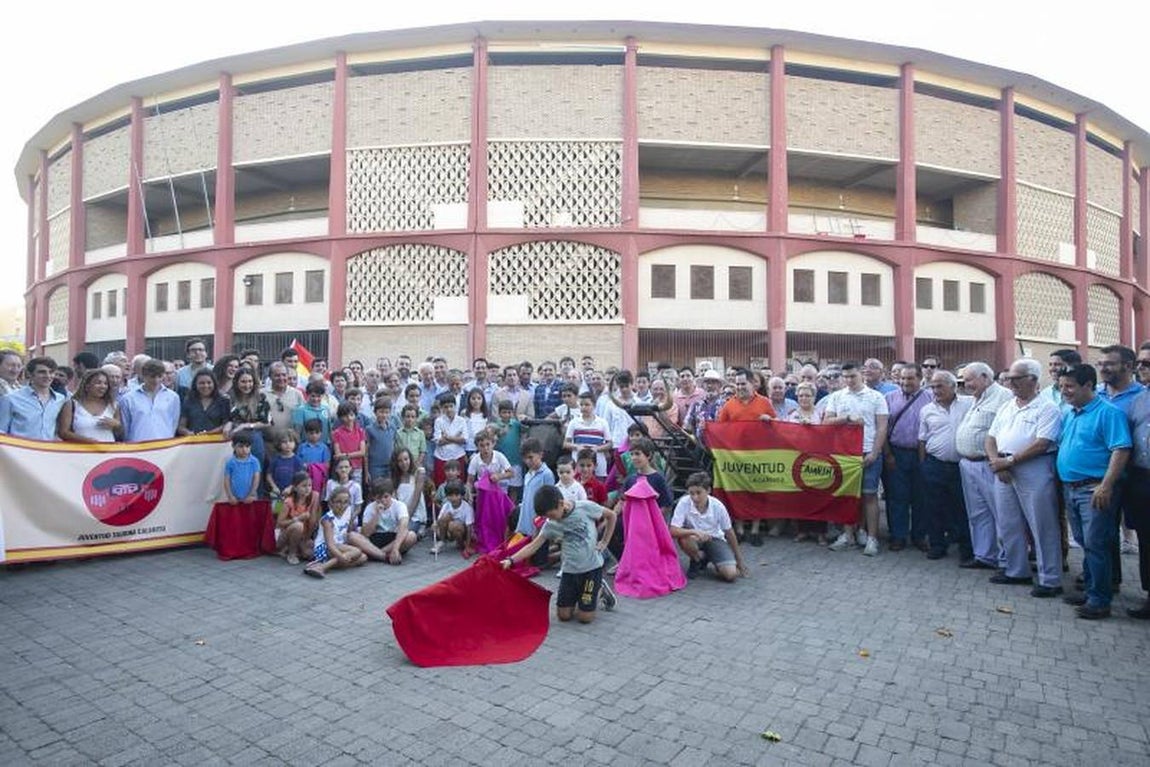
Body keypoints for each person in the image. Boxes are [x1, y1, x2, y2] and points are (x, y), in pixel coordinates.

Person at [1057, 364, 1131, 617]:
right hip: (1071, 488)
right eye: (1061, 386)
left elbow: (1120, 449)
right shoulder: (1070, 413)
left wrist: (1106, 486)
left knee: (1096, 544)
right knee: (1084, 541)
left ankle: (1100, 600)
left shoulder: (1109, 413)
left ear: (1088, 385)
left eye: (1069, 386)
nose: (1064, 391)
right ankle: (1091, 589)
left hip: (1094, 489)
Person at [986, 358, 1063, 596]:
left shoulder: (1047, 407)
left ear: (1032, 380)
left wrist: (1008, 461)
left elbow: (1042, 443)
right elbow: (991, 438)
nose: (1011, 383)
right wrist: (997, 463)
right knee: (1008, 522)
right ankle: (1016, 570)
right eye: (1009, 378)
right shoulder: (1008, 406)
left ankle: (1050, 579)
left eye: (1016, 379)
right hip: (1004, 466)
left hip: (1034, 468)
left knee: (1042, 524)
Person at [501, 484, 618, 622]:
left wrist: (604, 541)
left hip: (591, 570)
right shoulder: (550, 524)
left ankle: (598, 589)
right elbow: (533, 546)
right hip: (569, 571)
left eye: (551, 515)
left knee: (585, 618)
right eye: (546, 517)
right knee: (563, 616)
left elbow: (612, 515)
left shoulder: (585, 507)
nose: (550, 519)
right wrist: (510, 560)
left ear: (561, 504)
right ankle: (580, 597)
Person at [825, 362, 889, 556]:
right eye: (845, 377)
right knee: (846, 494)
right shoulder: (836, 396)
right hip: (844, 453)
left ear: (861, 375)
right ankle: (848, 535)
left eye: (852, 376)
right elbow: (826, 421)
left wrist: (875, 452)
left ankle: (871, 538)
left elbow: (882, 427)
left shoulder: (877, 397)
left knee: (869, 495)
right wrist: (847, 418)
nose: (849, 380)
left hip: (868, 450)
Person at [954, 362, 1013, 570]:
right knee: (978, 513)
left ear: (986, 377)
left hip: (989, 464)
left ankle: (1008, 560)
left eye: (970, 379)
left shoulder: (1004, 397)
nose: (966, 384)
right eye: (964, 380)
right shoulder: (975, 398)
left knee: (1001, 514)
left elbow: (1005, 432)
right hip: (968, 464)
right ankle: (985, 555)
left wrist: (1000, 461)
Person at [917, 370, 974, 561]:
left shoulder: (969, 404)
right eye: (933, 386)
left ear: (953, 386)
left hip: (961, 466)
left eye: (940, 386)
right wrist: (923, 465)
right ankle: (937, 545)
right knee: (934, 508)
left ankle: (967, 548)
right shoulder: (927, 410)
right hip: (935, 465)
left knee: (963, 508)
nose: (935, 390)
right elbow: (922, 440)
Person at [882, 363, 931, 551]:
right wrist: (888, 454)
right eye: (902, 378)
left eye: (910, 378)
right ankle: (898, 536)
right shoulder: (889, 399)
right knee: (897, 497)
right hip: (896, 453)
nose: (905, 382)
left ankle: (919, 536)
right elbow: (883, 429)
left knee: (921, 497)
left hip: (922, 454)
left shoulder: (930, 398)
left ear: (919, 379)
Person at [670, 471, 749, 582]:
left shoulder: (718, 506)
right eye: (691, 493)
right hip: (694, 538)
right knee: (684, 538)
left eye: (698, 493)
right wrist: (694, 532)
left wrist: (739, 560)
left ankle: (711, 559)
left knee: (731, 575)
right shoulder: (683, 502)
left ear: (708, 491)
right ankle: (696, 559)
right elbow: (673, 530)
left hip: (715, 538)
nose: (695, 497)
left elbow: (729, 532)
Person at [1125, 359, 1150, 618]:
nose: (1142, 367)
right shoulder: (1140, 399)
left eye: (1148, 363)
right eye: (1140, 362)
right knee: (1146, 539)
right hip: (1142, 476)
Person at [304, 486, 367, 578]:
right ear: (331, 503)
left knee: (363, 558)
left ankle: (319, 566)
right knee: (356, 551)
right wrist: (341, 557)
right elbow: (330, 545)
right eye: (338, 502)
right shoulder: (328, 520)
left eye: (346, 502)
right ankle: (322, 567)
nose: (342, 505)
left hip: (338, 547)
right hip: (324, 548)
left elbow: (347, 531)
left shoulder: (347, 512)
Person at [349, 479, 416, 565]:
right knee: (352, 536)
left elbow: (403, 526)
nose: (383, 501)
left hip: (393, 539)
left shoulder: (399, 505)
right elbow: (366, 533)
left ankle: (375, 554)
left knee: (411, 536)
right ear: (374, 497)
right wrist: (377, 515)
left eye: (386, 497)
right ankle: (384, 557)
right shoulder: (370, 508)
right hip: (375, 538)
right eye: (379, 498)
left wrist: (395, 548)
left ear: (392, 495)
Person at [119, 359, 181, 442]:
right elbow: (125, 427)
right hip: (137, 446)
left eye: (159, 376)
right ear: (143, 376)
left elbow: (174, 423)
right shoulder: (128, 398)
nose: (156, 380)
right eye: (152, 377)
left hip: (165, 446)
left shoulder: (173, 397)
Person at [57, 369, 121, 443]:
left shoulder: (113, 405)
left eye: (106, 383)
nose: (103, 386)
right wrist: (88, 441)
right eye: (98, 383)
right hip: (82, 451)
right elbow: (63, 432)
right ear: (87, 386)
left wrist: (117, 425)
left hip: (107, 452)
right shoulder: (72, 405)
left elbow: (121, 433)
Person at [563, 392, 612, 480]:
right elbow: (566, 443)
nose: (584, 407)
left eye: (587, 405)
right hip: (579, 464)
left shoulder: (602, 422)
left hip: (598, 465)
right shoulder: (574, 422)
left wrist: (596, 449)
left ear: (594, 405)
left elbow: (609, 444)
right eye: (581, 405)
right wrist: (577, 447)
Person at [229, 367, 272, 464]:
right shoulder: (229, 398)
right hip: (234, 440)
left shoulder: (260, 398)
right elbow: (226, 418)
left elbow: (268, 422)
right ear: (236, 382)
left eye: (250, 381)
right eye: (243, 382)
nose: (247, 385)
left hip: (254, 439)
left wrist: (246, 426)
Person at [276, 471, 319, 565]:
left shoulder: (314, 496)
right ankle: (292, 553)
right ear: (295, 488)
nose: (308, 489)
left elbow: (313, 519)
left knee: (309, 554)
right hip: (286, 535)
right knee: (298, 526)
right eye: (304, 486)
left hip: (304, 535)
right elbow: (279, 523)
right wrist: (298, 518)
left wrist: (306, 538)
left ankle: (296, 548)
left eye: (310, 485)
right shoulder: (289, 501)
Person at [178, 369, 230, 436]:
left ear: (214, 383)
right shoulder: (188, 401)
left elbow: (226, 424)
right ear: (195, 384)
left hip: (217, 442)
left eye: (209, 383)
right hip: (194, 442)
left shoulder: (223, 400)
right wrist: (188, 432)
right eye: (201, 383)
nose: (206, 386)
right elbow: (181, 427)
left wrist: (208, 434)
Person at [391, 447, 429, 538]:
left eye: (406, 459)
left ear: (410, 459)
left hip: (414, 515)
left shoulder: (419, 472)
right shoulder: (395, 477)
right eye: (400, 461)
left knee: (401, 534)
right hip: (400, 516)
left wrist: (406, 518)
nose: (404, 463)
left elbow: (416, 498)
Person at [432, 393, 467, 486]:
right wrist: (456, 437)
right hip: (441, 457)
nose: (449, 409)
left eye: (451, 406)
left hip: (458, 456)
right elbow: (438, 441)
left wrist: (447, 437)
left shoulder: (461, 421)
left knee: (458, 486)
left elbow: (464, 440)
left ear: (455, 406)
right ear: (442, 408)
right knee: (441, 485)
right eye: (445, 407)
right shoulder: (438, 421)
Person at [432, 480, 475, 557]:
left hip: (461, 531)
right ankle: (442, 541)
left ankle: (461, 543)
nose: (453, 498)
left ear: (462, 495)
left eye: (456, 495)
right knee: (445, 517)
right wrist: (435, 524)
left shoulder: (467, 508)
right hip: (448, 531)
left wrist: (468, 546)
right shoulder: (446, 505)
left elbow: (469, 528)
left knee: (454, 525)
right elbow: (440, 520)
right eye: (450, 495)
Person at [467, 429, 513, 497]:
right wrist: (468, 494)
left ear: (493, 444)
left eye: (488, 444)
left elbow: (511, 473)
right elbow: (470, 481)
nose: (485, 448)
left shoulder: (499, 456)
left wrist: (499, 476)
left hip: (500, 489)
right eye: (482, 446)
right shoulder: (475, 460)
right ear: (477, 447)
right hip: (484, 492)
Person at [331, 403, 367, 484]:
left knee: (356, 489)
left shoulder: (360, 431)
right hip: (343, 468)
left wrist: (346, 455)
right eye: (345, 416)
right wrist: (346, 456)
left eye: (351, 415)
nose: (349, 418)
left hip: (357, 467)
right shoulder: (337, 433)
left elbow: (362, 452)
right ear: (340, 417)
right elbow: (337, 454)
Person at [222, 433, 260, 505]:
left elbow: (256, 479)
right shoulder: (230, 462)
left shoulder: (254, 461)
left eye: (247, 446)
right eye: (241, 446)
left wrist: (251, 494)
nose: (244, 449)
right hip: (234, 498)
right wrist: (230, 496)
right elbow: (226, 480)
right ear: (233, 446)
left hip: (251, 497)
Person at [265, 432, 305, 501]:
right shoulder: (275, 460)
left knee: (290, 510)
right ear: (279, 444)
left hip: (292, 493)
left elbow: (301, 478)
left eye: (291, 441)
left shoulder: (297, 461)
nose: (288, 444)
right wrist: (274, 487)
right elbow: (269, 475)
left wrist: (291, 487)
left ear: (295, 443)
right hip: (277, 494)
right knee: (277, 510)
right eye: (284, 442)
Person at [365, 398, 397, 484]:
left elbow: (394, 446)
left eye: (387, 412)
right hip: (375, 467)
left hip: (389, 466)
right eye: (381, 412)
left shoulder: (392, 428)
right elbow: (366, 452)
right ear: (375, 412)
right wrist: (366, 471)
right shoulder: (369, 429)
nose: (384, 415)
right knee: (376, 488)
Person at [325, 457, 363, 525]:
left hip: (350, 520)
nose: (343, 470)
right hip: (334, 518)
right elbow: (329, 503)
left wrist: (351, 518)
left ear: (350, 468)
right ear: (336, 469)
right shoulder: (330, 483)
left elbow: (358, 508)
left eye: (346, 467)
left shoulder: (356, 486)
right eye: (341, 467)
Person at [461, 388, 489, 455]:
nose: (476, 401)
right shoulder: (464, 413)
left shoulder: (485, 414)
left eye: (479, 398)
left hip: (482, 448)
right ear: (469, 400)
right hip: (468, 447)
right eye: (473, 398)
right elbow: (462, 432)